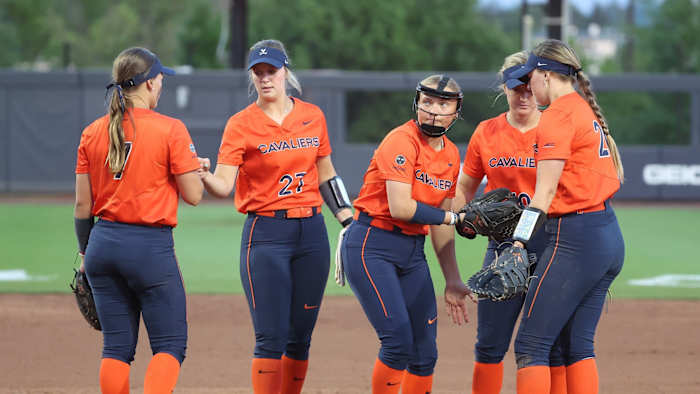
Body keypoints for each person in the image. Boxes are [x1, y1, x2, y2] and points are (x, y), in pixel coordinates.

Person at [197, 39, 353, 394]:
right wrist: (203, 173)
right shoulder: (241, 124)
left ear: (286, 71)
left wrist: (347, 217)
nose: (266, 79)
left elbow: (327, 173)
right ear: (252, 77)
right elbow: (223, 185)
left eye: (272, 71)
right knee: (271, 337)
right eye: (259, 73)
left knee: (300, 337)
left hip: (312, 234)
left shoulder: (312, 115)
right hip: (266, 234)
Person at [74, 47, 204, 394]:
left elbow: (82, 205)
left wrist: (86, 255)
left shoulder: (92, 132)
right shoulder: (170, 129)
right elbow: (193, 195)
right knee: (170, 345)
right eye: (160, 78)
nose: (161, 85)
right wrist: (190, 169)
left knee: (116, 348)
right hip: (148, 248)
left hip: (101, 245)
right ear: (148, 84)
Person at [506, 39, 625, 394]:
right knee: (576, 347)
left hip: (575, 241)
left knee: (530, 346)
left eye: (531, 79)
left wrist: (518, 240)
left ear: (546, 74)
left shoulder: (556, 117)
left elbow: (542, 196)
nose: (528, 87)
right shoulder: (583, 109)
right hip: (607, 235)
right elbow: (614, 177)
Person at [341, 74, 471, 394]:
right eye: (428, 102)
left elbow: (440, 224)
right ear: (417, 103)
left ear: (456, 112)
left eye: (444, 104)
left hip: (412, 250)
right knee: (398, 343)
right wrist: (455, 216)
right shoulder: (401, 141)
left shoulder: (452, 155)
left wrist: (452, 279)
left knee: (425, 354)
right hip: (372, 245)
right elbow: (401, 207)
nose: (434, 111)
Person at [452, 52, 566, 394]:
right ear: (505, 88)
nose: (524, 95)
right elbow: (463, 189)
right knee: (489, 344)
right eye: (516, 87)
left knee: (552, 347)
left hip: (552, 246)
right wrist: (464, 218)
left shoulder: (556, 127)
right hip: (502, 248)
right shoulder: (487, 132)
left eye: (529, 86)